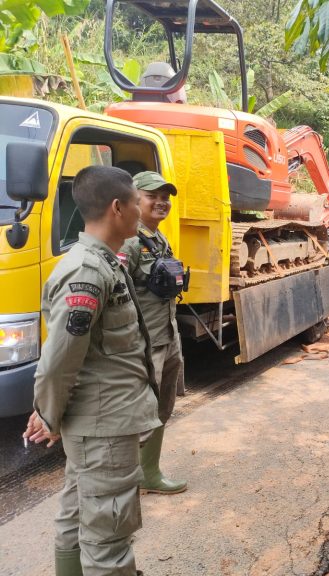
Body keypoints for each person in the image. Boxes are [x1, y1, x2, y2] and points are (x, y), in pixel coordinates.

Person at [23, 165, 161, 576]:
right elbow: (58, 361)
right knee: (108, 536)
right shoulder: (87, 271)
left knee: (78, 512)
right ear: (118, 207)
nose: (141, 211)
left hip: (98, 420)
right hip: (104, 425)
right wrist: (47, 415)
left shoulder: (104, 262)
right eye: (137, 203)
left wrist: (50, 412)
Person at [120, 171, 187, 495]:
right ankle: (122, 483)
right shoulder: (129, 243)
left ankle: (150, 473)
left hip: (167, 337)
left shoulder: (160, 240)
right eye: (152, 196)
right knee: (138, 414)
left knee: (163, 407)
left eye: (166, 197)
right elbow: (117, 299)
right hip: (144, 345)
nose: (161, 202)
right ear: (136, 200)